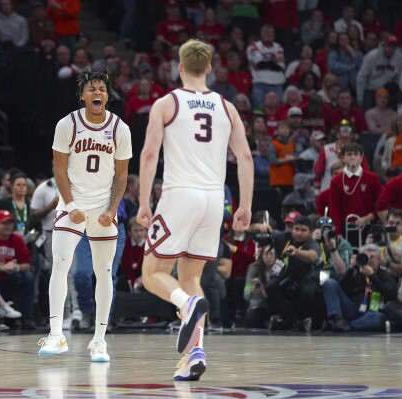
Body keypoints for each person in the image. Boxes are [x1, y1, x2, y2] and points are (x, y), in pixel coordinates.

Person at [137, 39, 253, 381]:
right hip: (214, 199)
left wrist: (144, 201)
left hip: (179, 195)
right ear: (211, 69)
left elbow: (148, 156)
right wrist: (245, 205)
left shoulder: (167, 103)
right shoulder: (227, 107)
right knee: (191, 279)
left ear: (180, 67)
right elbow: (245, 158)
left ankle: (186, 307)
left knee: (152, 273)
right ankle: (194, 355)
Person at [37, 68, 132, 362]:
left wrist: (112, 209)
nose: (97, 93)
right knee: (61, 265)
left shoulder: (120, 129)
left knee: (104, 273)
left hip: (104, 207)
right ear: (82, 95)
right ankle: (56, 335)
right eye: (91, 88)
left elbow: (122, 175)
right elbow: (59, 169)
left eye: (102, 89)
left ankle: (99, 340)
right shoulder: (67, 125)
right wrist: (70, 204)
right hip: (72, 204)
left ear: (108, 95)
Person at [321, 243, 397, 332]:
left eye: (371, 257)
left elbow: (390, 294)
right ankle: (338, 319)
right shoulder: (354, 273)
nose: (368, 259)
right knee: (329, 283)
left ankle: (343, 326)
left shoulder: (386, 275)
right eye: (365, 256)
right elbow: (339, 289)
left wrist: (372, 275)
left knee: (378, 318)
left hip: (373, 312)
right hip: (353, 309)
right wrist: (350, 269)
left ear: (379, 259)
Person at [328, 143, 381, 239]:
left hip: (369, 226)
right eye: (349, 154)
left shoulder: (372, 177)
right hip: (346, 228)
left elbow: (381, 203)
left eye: (356, 154)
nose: (353, 157)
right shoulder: (336, 181)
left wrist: (369, 217)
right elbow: (334, 208)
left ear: (361, 158)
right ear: (343, 158)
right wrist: (338, 233)